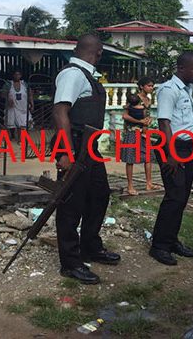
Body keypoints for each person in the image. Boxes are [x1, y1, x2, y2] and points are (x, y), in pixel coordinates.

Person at [52, 34, 120, 285]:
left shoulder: (88, 75)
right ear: (99, 52)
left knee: (99, 196)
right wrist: (67, 153)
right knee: (71, 204)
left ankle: (90, 246)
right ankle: (70, 263)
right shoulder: (73, 74)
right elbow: (60, 112)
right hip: (75, 145)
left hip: (89, 146)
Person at [149, 52, 193, 266]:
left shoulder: (187, 89)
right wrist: (171, 153)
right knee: (174, 196)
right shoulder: (169, 90)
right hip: (173, 147)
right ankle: (159, 246)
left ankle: (171, 240)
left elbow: (178, 119)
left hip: (187, 146)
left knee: (182, 197)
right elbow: (164, 123)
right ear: (181, 68)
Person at [120, 76, 159, 195]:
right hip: (132, 131)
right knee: (130, 158)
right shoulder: (134, 99)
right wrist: (139, 121)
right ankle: (130, 186)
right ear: (142, 86)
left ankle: (149, 183)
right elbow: (125, 115)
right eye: (149, 86)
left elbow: (147, 114)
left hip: (144, 132)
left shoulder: (148, 100)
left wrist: (148, 120)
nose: (151, 88)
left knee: (148, 157)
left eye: (152, 86)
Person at [3, 68, 33, 142]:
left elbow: (30, 94)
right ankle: (11, 135)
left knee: (22, 124)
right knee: (10, 123)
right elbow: (2, 94)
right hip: (12, 107)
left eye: (18, 74)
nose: (17, 76)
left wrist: (32, 104)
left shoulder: (24, 84)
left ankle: (21, 139)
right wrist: (8, 98)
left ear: (21, 75)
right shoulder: (8, 84)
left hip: (23, 107)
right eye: (15, 74)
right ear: (13, 75)